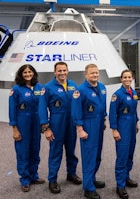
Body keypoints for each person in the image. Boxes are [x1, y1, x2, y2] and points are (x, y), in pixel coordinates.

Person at [38, 62, 82, 194]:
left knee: (71, 151)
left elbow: (78, 104)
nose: (62, 73)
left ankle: (71, 174)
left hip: (71, 124)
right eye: (59, 71)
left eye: (64, 70)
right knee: (55, 152)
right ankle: (52, 180)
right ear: (55, 72)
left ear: (68, 71)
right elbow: (42, 108)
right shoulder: (48, 88)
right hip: (56, 123)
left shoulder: (73, 85)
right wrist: (46, 128)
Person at [72, 64, 107, 199]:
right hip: (88, 125)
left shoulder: (102, 88)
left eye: (96, 73)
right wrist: (80, 129)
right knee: (89, 156)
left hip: (99, 125)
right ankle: (88, 188)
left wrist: (103, 120)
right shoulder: (79, 90)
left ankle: (91, 179)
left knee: (97, 154)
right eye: (92, 73)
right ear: (86, 75)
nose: (95, 75)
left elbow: (102, 107)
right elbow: (76, 111)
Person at [9, 64, 45, 192]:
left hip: (36, 122)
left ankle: (33, 176)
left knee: (35, 149)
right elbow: (12, 109)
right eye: (25, 72)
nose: (28, 74)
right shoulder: (16, 89)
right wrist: (14, 128)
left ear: (34, 73)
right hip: (22, 121)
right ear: (21, 74)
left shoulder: (40, 87)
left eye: (30, 72)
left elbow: (43, 106)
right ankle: (25, 179)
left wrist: (43, 123)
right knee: (23, 151)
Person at [109, 70, 139, 199]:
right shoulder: (117, 95)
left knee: (130, 154)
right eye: (125, 77)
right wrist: (114, 129)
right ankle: (120, 186)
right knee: (122, 156)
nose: (127, 79)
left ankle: (126, 177)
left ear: (132, 78)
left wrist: (136, 122)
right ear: (121, 79)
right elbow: (112, 114)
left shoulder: (134, 92)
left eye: (129, 77)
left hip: (132, 126)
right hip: (122, 126)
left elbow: (134, 110)